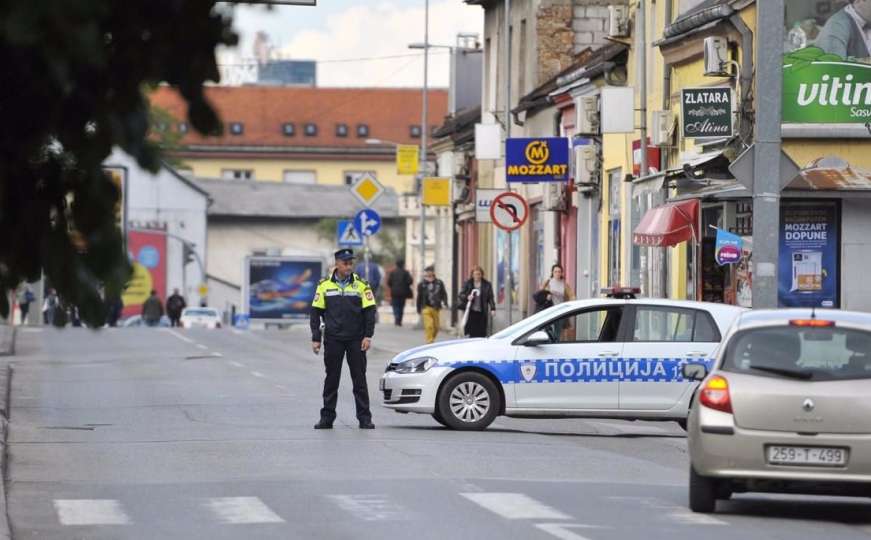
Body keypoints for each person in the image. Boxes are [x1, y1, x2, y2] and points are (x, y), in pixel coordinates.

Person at [310, 248, 377, 430]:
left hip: (356, 339)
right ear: (337, 264)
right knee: (331, 380)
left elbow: (370, 311)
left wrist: (368, 335)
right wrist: (316, 338)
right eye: (345, 263)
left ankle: (364, 418)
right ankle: (327, 417)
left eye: (350, 263)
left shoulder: (362, 285)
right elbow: (316, 312)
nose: (349, 266)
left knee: (359, 380)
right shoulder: (324, 285)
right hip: (333, 339)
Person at [458, 266, 496, 338]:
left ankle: (480, 344)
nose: (477, 276)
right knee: (471, 331)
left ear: (482, 274)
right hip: (471, 311)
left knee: (481, 331)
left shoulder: (487, 284)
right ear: (472, 275)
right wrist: (467, 297)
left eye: (479, 274)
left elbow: (490, 297)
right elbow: (461, 294)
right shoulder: (468, 283)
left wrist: (493, 308)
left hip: (482, 311)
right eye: (475, 274)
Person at [540, 264, 574, 339]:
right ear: (552, 272)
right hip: (549, 310)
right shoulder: (548, 282)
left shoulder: (564, 284)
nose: (557, 273)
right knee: (548, 329)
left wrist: (571, 303)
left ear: (562, 273)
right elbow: (541, 293)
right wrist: (547, 296)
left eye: (559, 271)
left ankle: (557, 343)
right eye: (555, 271)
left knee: (558, 330)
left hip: (560, 310)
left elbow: (571, 295)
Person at [417, 265, 448, 344]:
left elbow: (443, 293)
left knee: (436, 327)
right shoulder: (422, 284)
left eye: (430, 272)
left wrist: (445, 302)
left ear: (433, 273)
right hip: (426, 307)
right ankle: (429, 341)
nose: (429, 274)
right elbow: (419, 296)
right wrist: (418, 308)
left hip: (436, 307)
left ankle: (432, 339)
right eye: (427, 273)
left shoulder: (439, 283)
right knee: (429, 325)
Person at [386, 260, 413, 326]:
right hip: (403, 292)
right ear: (403, 264)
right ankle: (399, 320)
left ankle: (396, 317)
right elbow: (410, 281)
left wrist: (393, 286)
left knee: (395, 306)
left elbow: (389, 282)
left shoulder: (393, 272)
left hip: (394, 292)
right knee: (401, 306)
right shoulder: (406, 272)